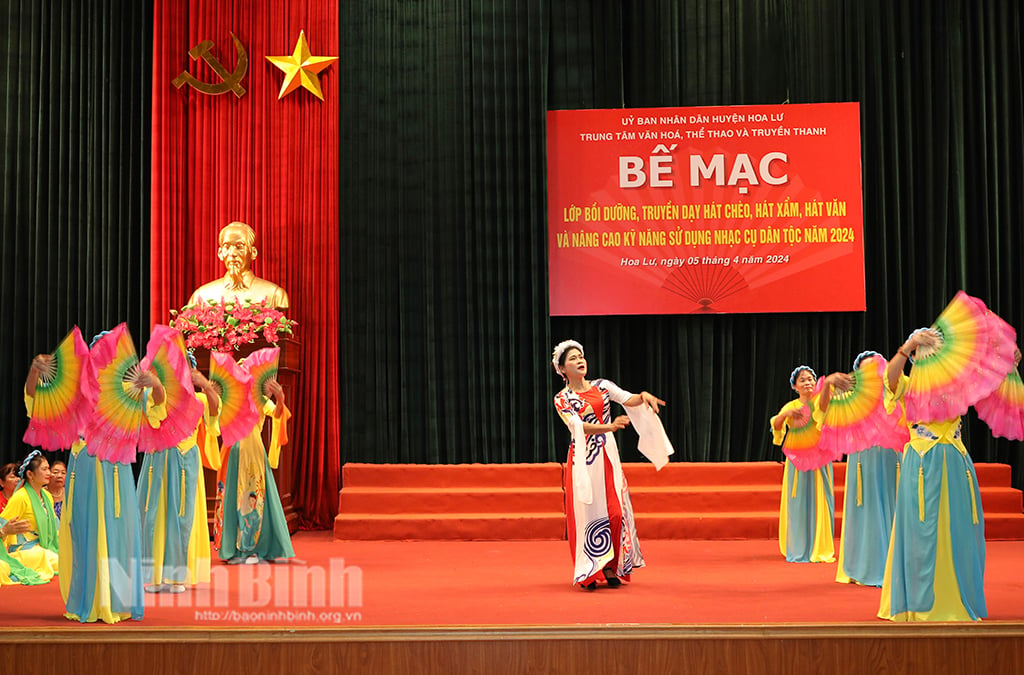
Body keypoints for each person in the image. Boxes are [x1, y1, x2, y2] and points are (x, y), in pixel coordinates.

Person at [876, 329, 1011, 621]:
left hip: (956, 464)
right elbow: (890, 377)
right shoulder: (908, 386)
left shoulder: (957, 387)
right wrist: (909, 344)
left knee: (960, 528)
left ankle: (958, 598)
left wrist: (1009, 362)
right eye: (924, 351)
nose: (931, 356)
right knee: (920, 530)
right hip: (923, 465)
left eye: (936, 351)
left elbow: (992, 379)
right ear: (915, 357)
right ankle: (921, 602)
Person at [55, 331, 167, 623]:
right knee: (86, 533)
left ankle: (116, 601)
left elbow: (157, 411)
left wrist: (155, 383)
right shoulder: (79, 390)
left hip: (116, 471)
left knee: (120, 533)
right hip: (87, 471)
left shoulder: (127, 392)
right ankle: (90, 600)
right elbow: (43, 406)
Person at [551, 340, 670, 591]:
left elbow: (628, 398)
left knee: (615, 512)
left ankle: (610, 565)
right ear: (562, 369)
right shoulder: (563, 398)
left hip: (607, 455)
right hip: (583, 459)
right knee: (588, 512)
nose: (580, 360)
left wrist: (643, 396)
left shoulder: (602, 386)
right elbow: (577, 426)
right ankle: (589, 571)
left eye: (581, 356)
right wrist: (610, 427)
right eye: (572, 358)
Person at [138, 359, 221, 593]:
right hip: (159, 462)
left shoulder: (198, 399)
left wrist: (205, 384)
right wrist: (154, 383)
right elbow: (156, 405)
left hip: (186, 461)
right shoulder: (156, 393)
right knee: (155, 516)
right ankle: (154, 575)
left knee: (183, 516)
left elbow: (215, 412)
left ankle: (177, 575)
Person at [834, 351, 902, 588]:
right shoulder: (851, 398)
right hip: (864, 459)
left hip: (892, 458)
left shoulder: (894, 391)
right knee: (867, 508)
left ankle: (896, 564)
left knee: (893, 507)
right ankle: (866, 564)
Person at [770, 366, 850, 563]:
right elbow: (777, 428)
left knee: (822, 500)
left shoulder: (820, 400)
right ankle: (798, 546)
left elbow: (827, 411)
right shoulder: (791, 405)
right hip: (797, 460)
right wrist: (785, 415)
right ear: (795, 386)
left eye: (811, 379)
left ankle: (819, 546)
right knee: (798, 502)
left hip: (819, 458)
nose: (808, 383)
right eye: (803, 380)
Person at [216, 374, 293, 564]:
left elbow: (277, 415)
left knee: (253, 499)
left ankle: (253, 548)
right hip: (232, 451)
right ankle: (233, 550)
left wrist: (280, 397)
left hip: (253, 453)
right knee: (231, 496)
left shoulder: (261, 400)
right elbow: (214, 418)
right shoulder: (229, 400)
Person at [188, 221, 289, 309]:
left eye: (239, 247)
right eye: (227, 247)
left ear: (253, 252)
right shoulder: (202, 296)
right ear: (220, 253)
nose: (232, 253)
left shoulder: (275, 295)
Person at [0, 451, 59, 584]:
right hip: (24, 549)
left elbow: (56, 526)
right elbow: (2, 524)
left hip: (44, 545)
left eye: (49, 469)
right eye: (44, 469)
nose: (49, 473)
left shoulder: (47, 496)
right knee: (48, 557)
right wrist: (5, 530)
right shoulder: (20, 497)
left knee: (66, 558)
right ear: (30, 474)